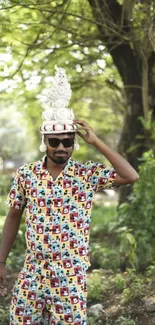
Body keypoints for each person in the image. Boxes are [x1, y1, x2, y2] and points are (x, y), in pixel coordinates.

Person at [0, 67, 139, 325]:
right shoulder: (26, 174)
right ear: (46, 141)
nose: (62, 147)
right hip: (33, 271)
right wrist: (1, 260)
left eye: (67, 141)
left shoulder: (86, 174)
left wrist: (96, 142)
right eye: (55, 141)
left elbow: (131, 176)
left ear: (74, 142)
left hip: (70, 275)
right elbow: (13, 216)